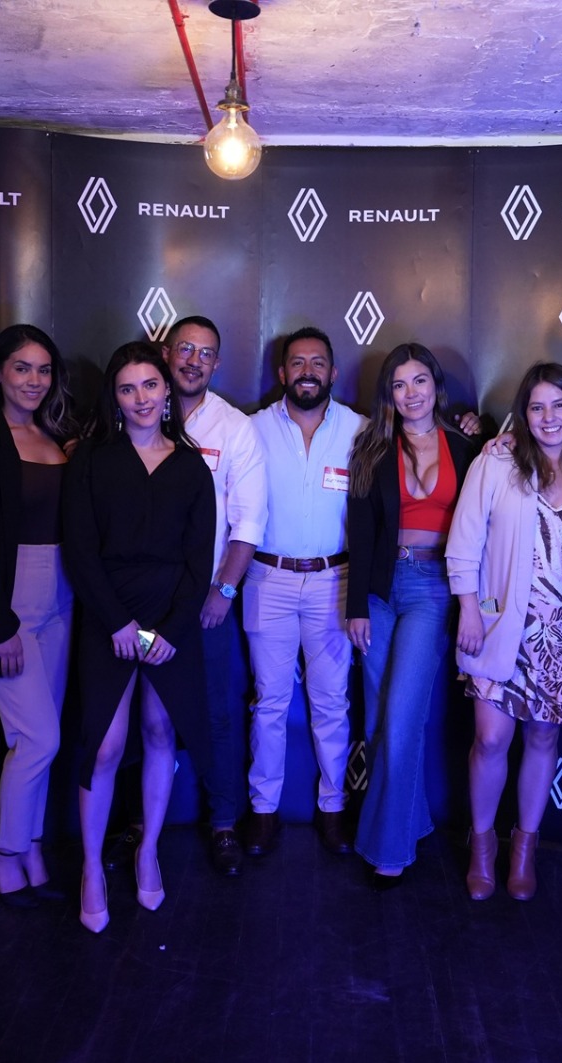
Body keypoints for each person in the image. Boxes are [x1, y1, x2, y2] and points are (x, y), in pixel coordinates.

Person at [63, 342, 216, 932]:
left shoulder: (192, 466)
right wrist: (117, 623)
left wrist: (172, 629)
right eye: (128, 388)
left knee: (159, 731)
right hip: (109, 613)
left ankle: (148, 849)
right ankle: (90, 868)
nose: (141, 398)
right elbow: (80, 550)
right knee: (104, 746)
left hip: (171, 618)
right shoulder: (92, 460)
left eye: (150, 385)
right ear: (115, 398)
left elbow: (199, 559)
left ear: (166, 391)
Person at [447, 362, 562, 902]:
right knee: (491, 739)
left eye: (559, 405)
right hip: (500, 626)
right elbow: (464, 541)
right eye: (537, 407)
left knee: (543, 737)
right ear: (523, 415)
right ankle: (482, 846)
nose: (548, 417)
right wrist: (468, 609)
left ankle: (524, 849)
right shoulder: (498, 463)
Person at [345, 343, 479, 887]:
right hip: (381, 589)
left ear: (435, 385)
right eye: (398, 385)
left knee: (402, 718)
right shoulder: (372, 448)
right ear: (389, 394)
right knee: (378, 720)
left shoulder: (467, 447)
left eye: (419, 381)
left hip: (433, 588)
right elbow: (360, 532)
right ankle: (413, 820)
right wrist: (356, 605)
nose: (410, 393)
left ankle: (389, 846)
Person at [0, 324, 76, 905]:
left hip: (63, 598)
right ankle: (4, 849)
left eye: (44, 370)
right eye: (22, 368)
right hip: (12, 602)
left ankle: (30, 845)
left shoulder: (58, 437)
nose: (34, 380)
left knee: (41, 736)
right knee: (38, 738)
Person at [244, 327, 367, 857]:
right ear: (282, 373)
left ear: (333, 373)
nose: (308, 371)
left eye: (318, 362)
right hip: (266, 578)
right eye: (297, 362)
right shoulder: (251, 429)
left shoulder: (361, 430)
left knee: (331, 703)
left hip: (334, 583)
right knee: (269, 702)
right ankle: (263, 811)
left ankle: (333, 808)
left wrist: (478, 431)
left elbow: (422, 440)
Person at [162, 315, 267, 877]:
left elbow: (249, 522)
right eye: (185, 349)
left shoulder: (234, 428)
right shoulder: (138, 408)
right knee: (142, 714)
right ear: (167, 351)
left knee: (219, 712)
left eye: (205, 353)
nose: (193, 361)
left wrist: (224, 590)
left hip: (208, 602)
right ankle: (137, 824)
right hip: (145, 603)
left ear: (217, 364)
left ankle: (224, 821)